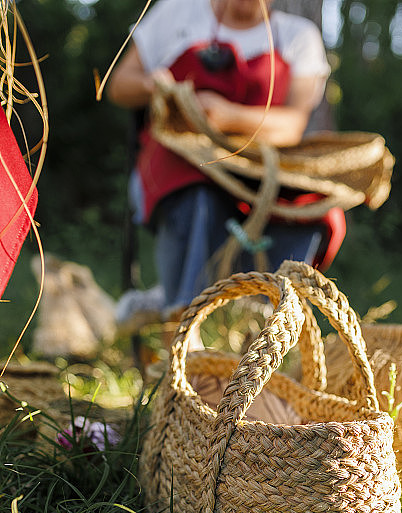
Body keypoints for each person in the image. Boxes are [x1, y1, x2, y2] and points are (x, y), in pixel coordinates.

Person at [107, 0, 334, 329]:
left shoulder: (297, 36)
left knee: (316, 207)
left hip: (255, 171)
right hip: (180, 161)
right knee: (197, 194)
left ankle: (265, 314)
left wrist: (227, 116)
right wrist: (151, 85)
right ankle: (184, 316)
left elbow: (292, 125)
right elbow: (118, 86)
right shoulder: (176, 14)